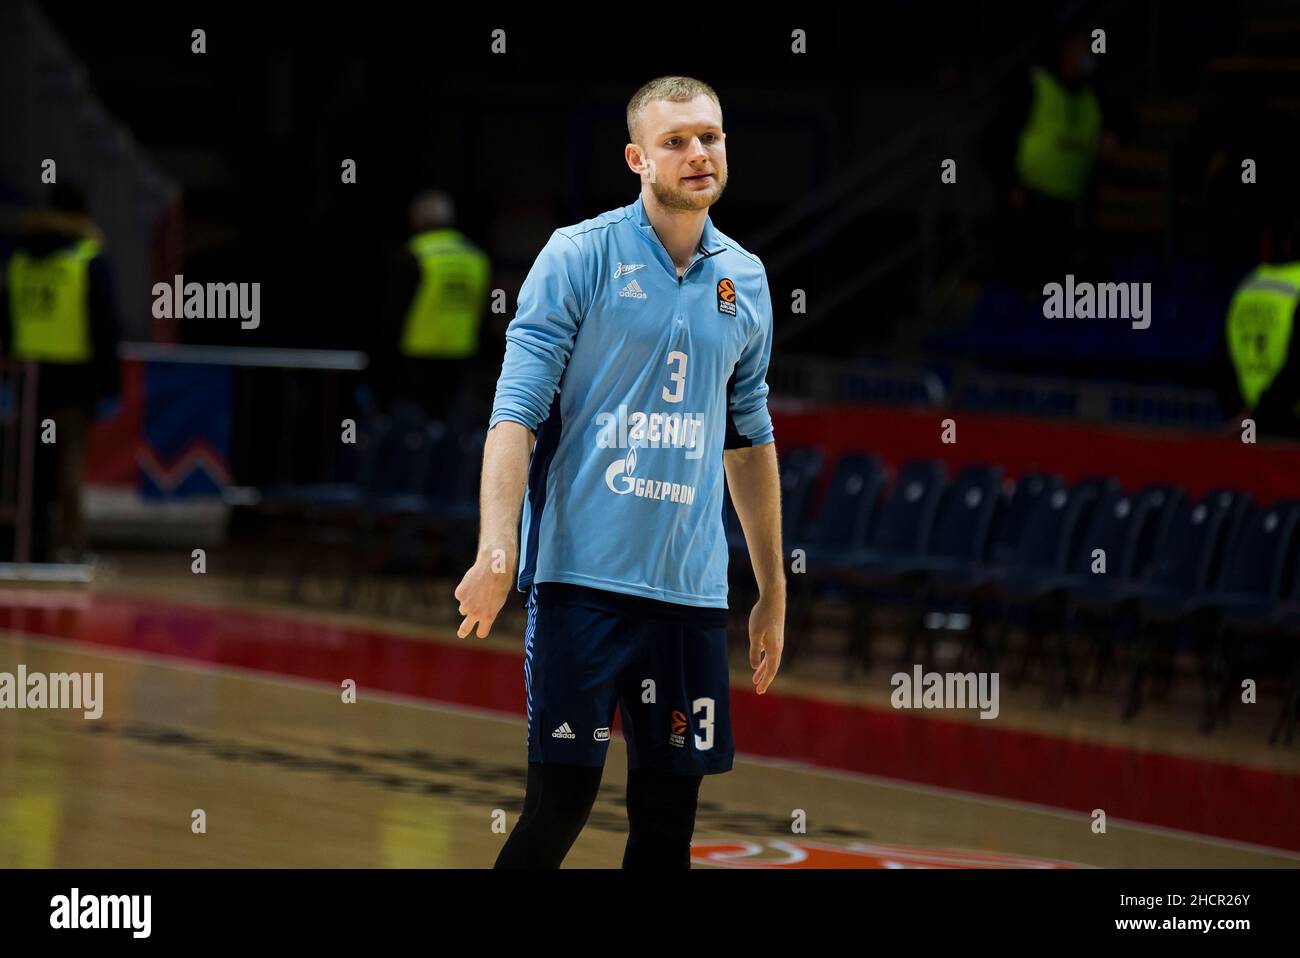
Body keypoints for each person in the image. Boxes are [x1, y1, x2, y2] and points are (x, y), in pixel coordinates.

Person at [453, 75, 786, 869]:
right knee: (556, 813)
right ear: (638, 158)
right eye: (676, 141)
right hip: (582, 585)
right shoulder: (579, 256)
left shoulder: (749, 280)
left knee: (667, 831)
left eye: (710, 136)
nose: (698, 153)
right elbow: (515, 417)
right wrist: (497, 548)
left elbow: (749, 440)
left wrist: (772, 588)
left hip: (691, 599)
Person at [0, 183, 120, 564]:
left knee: (28, 465)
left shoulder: (18, 259)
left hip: (30, 381)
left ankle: (29, 544)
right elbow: (103, 327)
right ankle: (71, 547)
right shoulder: (87, 259)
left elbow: (5, 320)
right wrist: (108, 384)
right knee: (67, 464)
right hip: (72, 382)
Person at [377, 190, 490, 424]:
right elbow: (484, 312)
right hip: (462, 353)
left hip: (417, 355)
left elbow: (392, 309)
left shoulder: (411, 253)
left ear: (417, 219)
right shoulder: (475, 257)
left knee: (413, 429)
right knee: (452, 427)